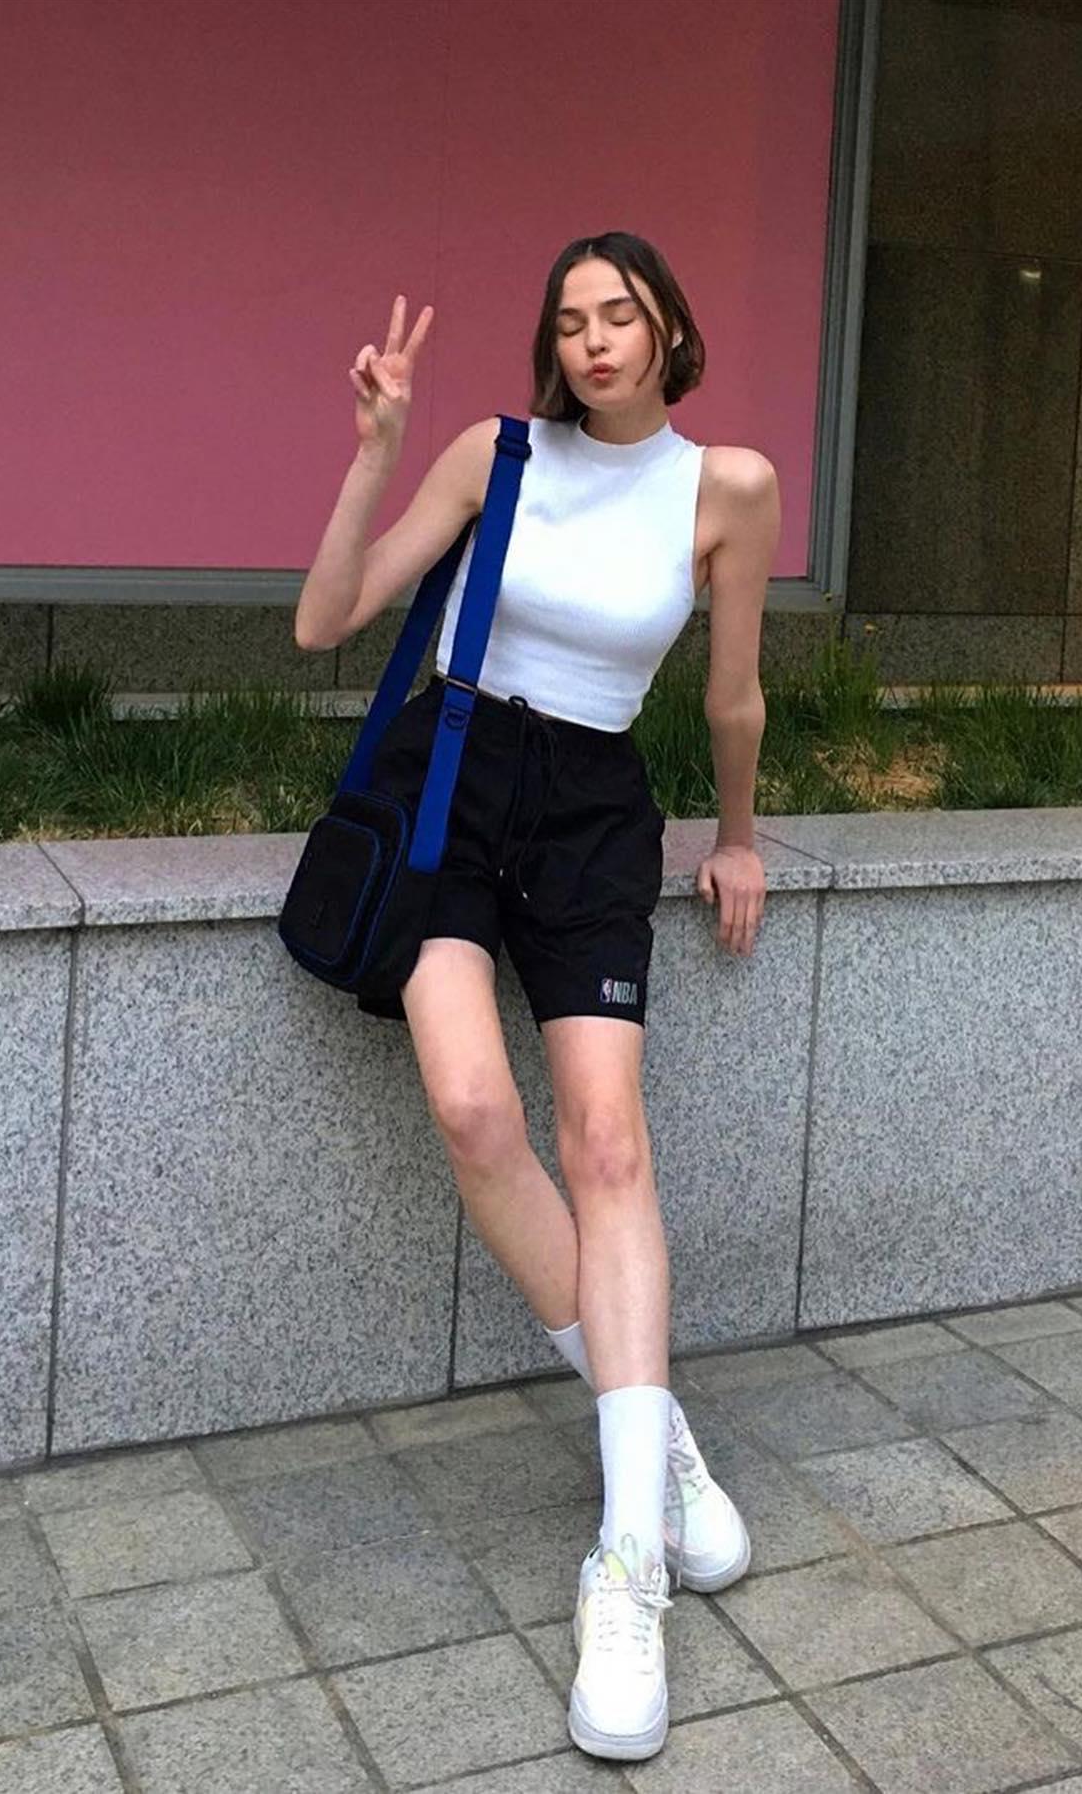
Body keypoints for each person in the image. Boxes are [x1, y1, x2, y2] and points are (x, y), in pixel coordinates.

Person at [293, 230, 779, 1762]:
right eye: (569, 322)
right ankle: (660, 1439)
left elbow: (733, 692)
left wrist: (741, 836)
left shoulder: (729, 487)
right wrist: (376, 452)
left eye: (618, 314)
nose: (592, 341)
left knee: (608, 1142)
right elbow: (326, 618)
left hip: (590, 810)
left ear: (670, 327)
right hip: (452, 779)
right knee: (472, 1109)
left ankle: (626, 1563)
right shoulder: (493, 453)